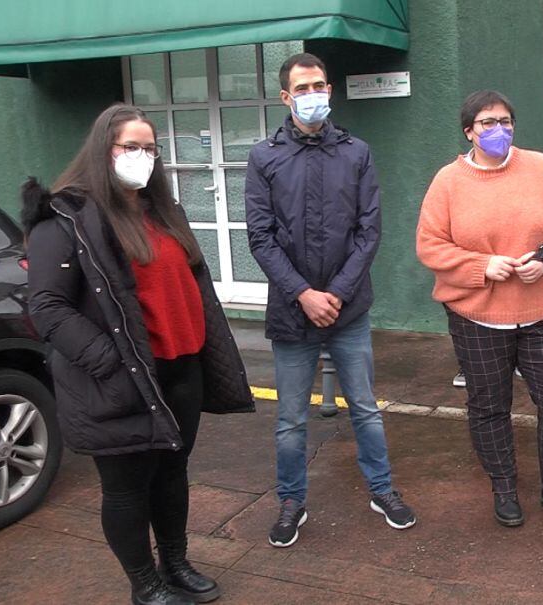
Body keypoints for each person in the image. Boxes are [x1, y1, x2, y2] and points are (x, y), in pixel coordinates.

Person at [24, 104, 255, 605]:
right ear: (102, 149)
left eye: (150, 148)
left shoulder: (159, 211)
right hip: (119, 378)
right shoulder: (65, 218)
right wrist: (109, 362)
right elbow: (46, 306)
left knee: (172, 473)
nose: (142, 157)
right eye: (130, 146)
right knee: (127, 490)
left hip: (180, 367)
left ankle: (176, 562)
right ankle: (145, 583)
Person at [245, 53, 415, 548]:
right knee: (291, 420)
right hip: (291, 314)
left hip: (349, 310)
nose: (313, 94)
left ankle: (382, 490)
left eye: (319, 84)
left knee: (364, 408)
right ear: (286, 97)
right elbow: (260, 237)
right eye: (303, 87)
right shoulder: (265, 157)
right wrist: (303, 293)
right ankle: (291, 501)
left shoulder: (356, 152)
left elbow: (369, 231)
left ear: (330, 89)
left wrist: (335, 295)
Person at [417, 90, 543, 527]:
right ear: (469, 131)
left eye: (505, 120)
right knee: (489, 406)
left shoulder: (539, 167)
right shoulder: (448, 181)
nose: (498, 129)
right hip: (477, 318)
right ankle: (503, 486)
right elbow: (430, 245)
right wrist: (483, 265)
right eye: (487, 122)